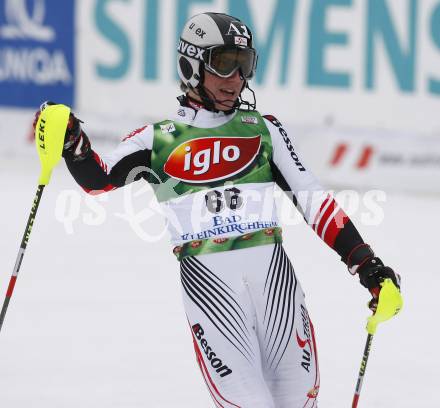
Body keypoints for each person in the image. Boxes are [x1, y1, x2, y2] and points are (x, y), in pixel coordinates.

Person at [37, 12, 402, 408]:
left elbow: (314, 200)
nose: (236, 79)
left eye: (244, 66)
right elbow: (99, 178)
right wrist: (72, 138)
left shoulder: (263, 129)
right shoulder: (158, 139)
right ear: (191, 65)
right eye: (225, 64)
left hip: (275, 288)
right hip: (211, 295)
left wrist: (367, 264)